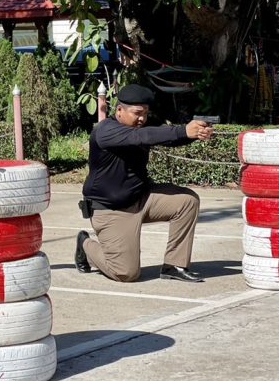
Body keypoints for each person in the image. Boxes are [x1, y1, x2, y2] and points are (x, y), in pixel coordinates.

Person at [76, 83, 214, 283]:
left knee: (187, 201)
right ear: (119, 110)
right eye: (137, 113)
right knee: (125, 273)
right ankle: (85, 245)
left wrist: (194, 133)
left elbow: (165, 136)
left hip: (142, 199)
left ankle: (174, 266)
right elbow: (140, 137)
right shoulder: (106, 131)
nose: (142, 118)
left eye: (146, 113)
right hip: (112, 210)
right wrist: (184, 130)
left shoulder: (139, 127)